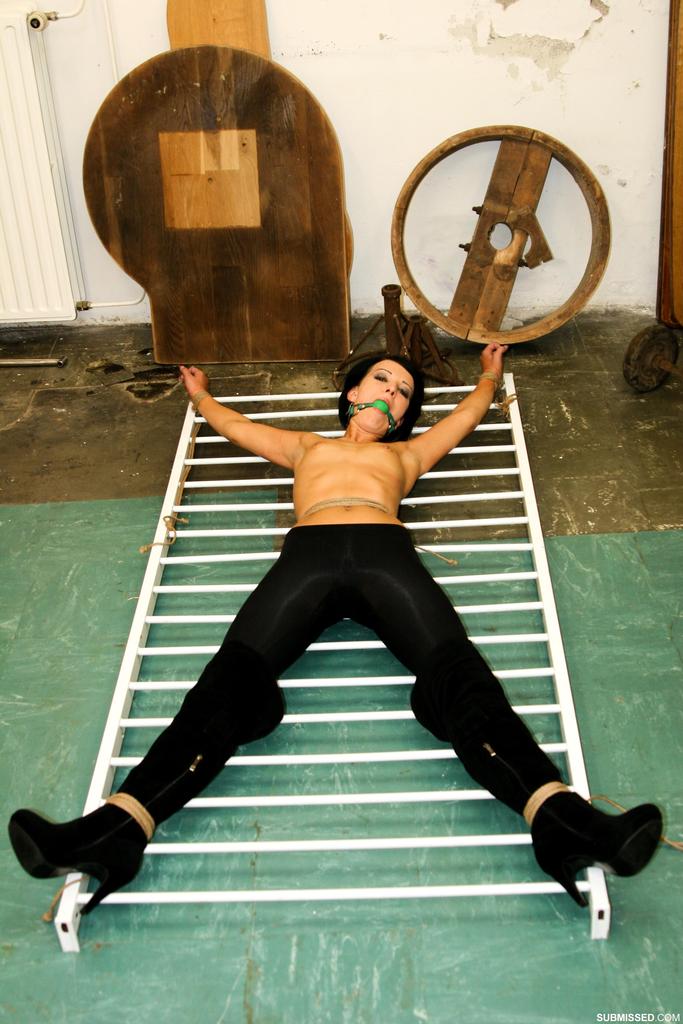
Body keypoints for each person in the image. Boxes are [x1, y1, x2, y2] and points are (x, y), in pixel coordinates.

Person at [8, 344, 662, 915]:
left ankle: (565, 824)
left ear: (403, 417)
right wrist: (201, 397)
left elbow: (462, 420)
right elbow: (238, 428)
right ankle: (113, 833)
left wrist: (488, 378)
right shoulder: (307, 447)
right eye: (382, 379)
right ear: (351, 394)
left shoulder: (406, 456)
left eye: (403, 392)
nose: (392, 392)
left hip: (385, 554)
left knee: (460, 677)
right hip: (309, 558)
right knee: (228, 681)